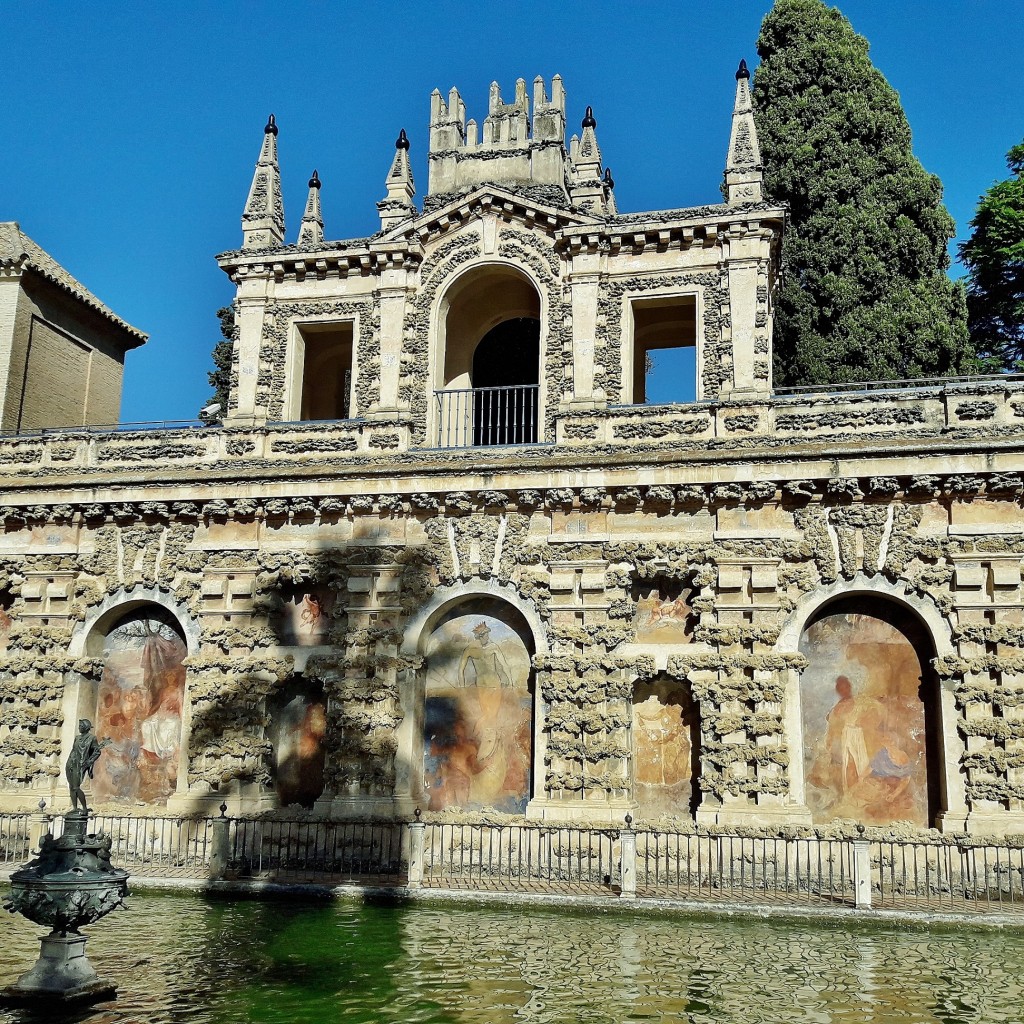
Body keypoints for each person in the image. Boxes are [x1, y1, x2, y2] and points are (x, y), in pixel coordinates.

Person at [65, 719, 108, 811]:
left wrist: (89, 761)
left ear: (86, 727)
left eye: (81, 726)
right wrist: (69, 762)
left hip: (81, 764)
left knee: (76, 787)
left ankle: (84, 807)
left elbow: (97, 752)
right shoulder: (77, 738)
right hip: (71, 763)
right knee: (71, 787)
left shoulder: (92, 738)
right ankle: (75, 808)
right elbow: (73, 750)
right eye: (79, 726)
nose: (79, 728)